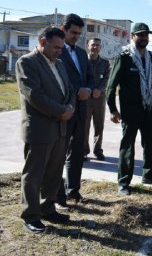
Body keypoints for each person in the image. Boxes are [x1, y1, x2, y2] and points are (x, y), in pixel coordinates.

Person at [16, 26, 75, 233]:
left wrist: (70, 107)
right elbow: (35, 95)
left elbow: (69, 89)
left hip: (59, 128)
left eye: (62, 47)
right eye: (56, 47)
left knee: (53, 173)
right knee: (33, 175)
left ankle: (47, 208)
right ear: (42, 43)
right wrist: (61, 111)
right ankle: (31, 215)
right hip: (40, 129)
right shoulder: (26, 62)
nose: (60, 51)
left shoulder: (58, 64)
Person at [106, 22, 152, 196]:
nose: (144, 38)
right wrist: (112, 109)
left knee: (151, 144)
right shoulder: (124, 57)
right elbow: (111, 86)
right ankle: (123, 182)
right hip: (130, 111)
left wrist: (151, 100)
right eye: (140, 35)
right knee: (128, 147)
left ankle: (149, 176)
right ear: (132, 37)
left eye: (146, 35)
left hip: (148, 109)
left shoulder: (151, 57)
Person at [56, 14, 93, 208]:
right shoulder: (56, 52)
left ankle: (73, 190)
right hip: (64, 110)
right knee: (58, 154)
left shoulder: (80, 53)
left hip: (81, 110)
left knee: (77, 152)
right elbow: (57, 80)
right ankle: (57, 194)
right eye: (73, 33)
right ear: (63, 30)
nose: (76, 36)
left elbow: (89, 75)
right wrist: (75, 92)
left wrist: (87, 88)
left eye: (79, 33)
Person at [83, 38, 110, 161]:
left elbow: (107, 78)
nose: (95, 47)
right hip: (85, 99)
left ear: (100, 47)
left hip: (99, 99)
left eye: (97, 45)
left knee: (99, 126)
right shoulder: (83, 61)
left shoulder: (105, 63)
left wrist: (99, 89)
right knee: (84, 126)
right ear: (88, 46)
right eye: (93, 45)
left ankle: (98, 150)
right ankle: (84, 151)